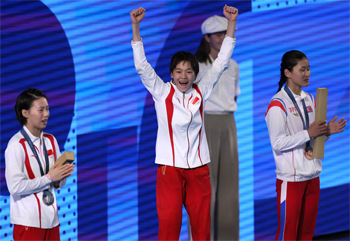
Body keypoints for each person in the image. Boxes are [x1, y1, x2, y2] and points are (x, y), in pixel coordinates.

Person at [130, 5, 238, 240]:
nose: (183, 76)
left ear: (195, 75)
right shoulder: (161, 91)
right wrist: (136, 27)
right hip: (170, 170)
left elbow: (221, 62)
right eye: (178, 71)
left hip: (199, 170)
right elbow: (142, 66)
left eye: (189, 72)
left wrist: (231, 24)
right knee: (169, 227)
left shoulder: (201, 90)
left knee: (201, 229)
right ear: (171, 74)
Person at [265, 50, 347, 240]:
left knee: (306, 234)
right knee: (288, 234)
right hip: (291, 180)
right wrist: (308, 133)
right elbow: (277, 143)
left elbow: (313, 139)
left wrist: (326, 132)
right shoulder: (278, 104)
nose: (308, 73)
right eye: (302, 69)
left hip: (312, 176)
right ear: (287, 73)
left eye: (309, 69)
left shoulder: (311, 99)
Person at [5, 88, 75, 241]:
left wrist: (60, 178)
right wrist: (49, 178)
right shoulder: (16, 145)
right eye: (41, 110)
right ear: (25, 113)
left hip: (53, 222)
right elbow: (15, 187)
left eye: (48, 109)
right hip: (28, 225)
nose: (46, 114)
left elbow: (58, 183)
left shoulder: (51, 140)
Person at [194, 14, 240, 241]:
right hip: (205, 123)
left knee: (230, 186)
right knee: (206, 187)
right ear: (207, 38)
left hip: (228, 123)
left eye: (225, 33)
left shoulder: (233, 65)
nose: (223, 38)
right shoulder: (196, 67)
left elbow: (234, 96)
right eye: (218, 34)